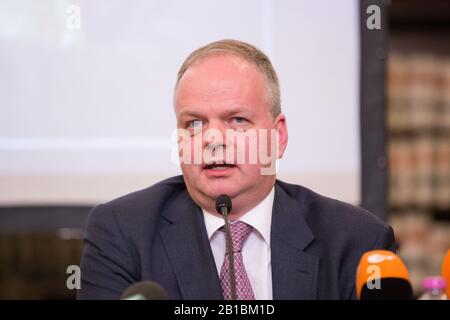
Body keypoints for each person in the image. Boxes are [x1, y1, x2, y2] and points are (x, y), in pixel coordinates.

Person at [77, 39, 396, 300]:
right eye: (194, 123)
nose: (213, 140)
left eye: (237, 120)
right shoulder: (121, 233)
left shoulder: (357, 241)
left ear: (278, 136)